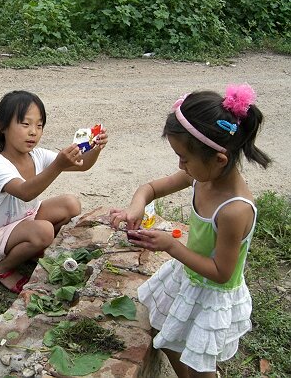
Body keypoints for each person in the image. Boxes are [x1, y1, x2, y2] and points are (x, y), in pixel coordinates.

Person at [109, 84, 271, 377]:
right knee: (163, 327)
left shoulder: (234, 210)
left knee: (200, 364)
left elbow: (222, 272)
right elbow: (150, 188)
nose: (180, 164)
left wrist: (171, 247)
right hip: (190, 277)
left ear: (219, 159)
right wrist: (136, 208)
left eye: (184, 157)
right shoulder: (202, 175)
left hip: (213, 292)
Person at [0, 90, 108, 293]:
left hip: (26, 220)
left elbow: (81, 165)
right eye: (26, 124)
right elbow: (25, 192)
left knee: (71, 204)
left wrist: (95, 148)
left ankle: (32, 250)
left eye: (39, 125)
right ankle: (2, 267)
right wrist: (57, 165)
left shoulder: (36, 155)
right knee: (45, 230)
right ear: (2, 126)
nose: (33, 132)